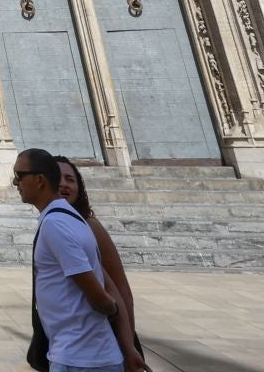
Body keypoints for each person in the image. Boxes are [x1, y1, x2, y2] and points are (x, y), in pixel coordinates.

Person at [14, 148, 123, 372]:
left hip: (80, 358)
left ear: (40, 180)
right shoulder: (70, 218)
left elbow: (97, 293)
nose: (15, 183)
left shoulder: (56, 225)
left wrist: (111, 310)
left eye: (19, 175)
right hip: (83, 354)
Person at [57, 157, 146, 372]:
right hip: (73, 345)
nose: (64, 184)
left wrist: (128, 347)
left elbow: (119, 288)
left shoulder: (88, 226)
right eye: (57, 178)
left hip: (100, 349)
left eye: (70, 179)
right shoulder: (57, 224)